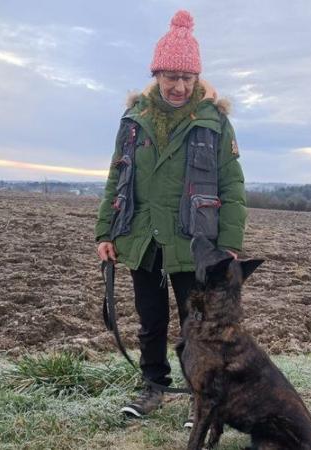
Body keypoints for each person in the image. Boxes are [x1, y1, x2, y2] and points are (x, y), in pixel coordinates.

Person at [94, 10, 246, 426]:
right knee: (150, 320)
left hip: (195, 242)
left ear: (197, 78)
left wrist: (229, 245)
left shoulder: (215, 122)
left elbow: (232, 186)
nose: (178, 87)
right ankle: (154, 388)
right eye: (170, 77)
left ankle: (204, 398)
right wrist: (105, 231)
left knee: (195, 325)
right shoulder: (133, 121)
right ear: (156, 74)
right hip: (143, 239)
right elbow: (117, 176)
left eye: (187, 78)